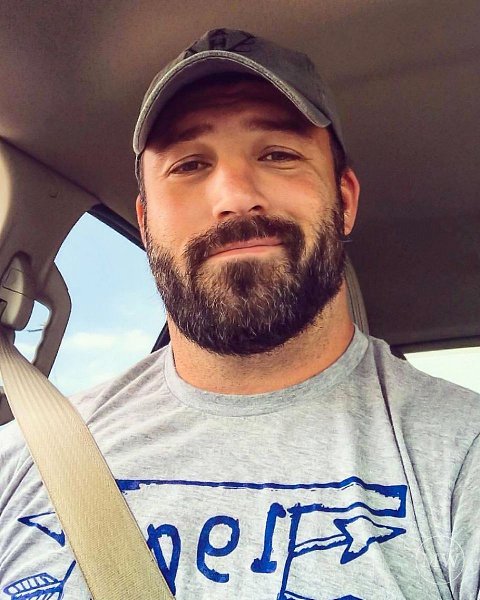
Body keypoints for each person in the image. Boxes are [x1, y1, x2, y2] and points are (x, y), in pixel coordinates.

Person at [0, 28, 479, 600]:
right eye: (188, 165)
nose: (233, 196)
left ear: (345, 201)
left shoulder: (463, 456)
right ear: (146, 224)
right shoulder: (25, 456)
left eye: (278, 155)